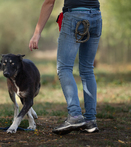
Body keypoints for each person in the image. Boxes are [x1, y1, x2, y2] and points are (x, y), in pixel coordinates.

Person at [29, 0, 102, 135]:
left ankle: (75, 115)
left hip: (75, 16)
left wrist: (37, 33)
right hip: (96, 15)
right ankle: (90, 120)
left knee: (64, 68)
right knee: (87, 69)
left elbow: (49, 2)